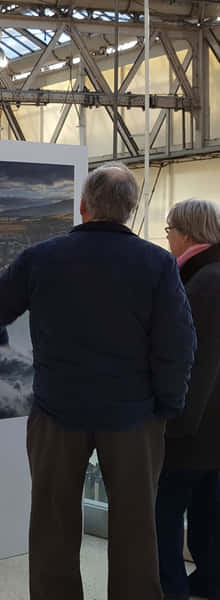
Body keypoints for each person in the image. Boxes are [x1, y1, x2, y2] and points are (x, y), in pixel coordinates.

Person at [0, 162, 196, 600]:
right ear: (130, 209)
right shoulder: (157, 263)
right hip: (134, 416)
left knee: (53, 523)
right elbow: (178, 343)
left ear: (83, 206)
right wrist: (167, 405)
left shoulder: (43, 257)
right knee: (135, 526)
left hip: (58, 411)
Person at [156, 198, 220, 600]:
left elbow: (197, 363)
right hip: (211, 429)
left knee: (164, 514)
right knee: (207, 514)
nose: (167, 241)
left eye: (168, 232)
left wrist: (175, 424)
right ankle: (210, 582)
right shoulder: (208, 275)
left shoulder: (204, 283)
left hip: (193, 429)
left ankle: (170, 589)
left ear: (186, 233)